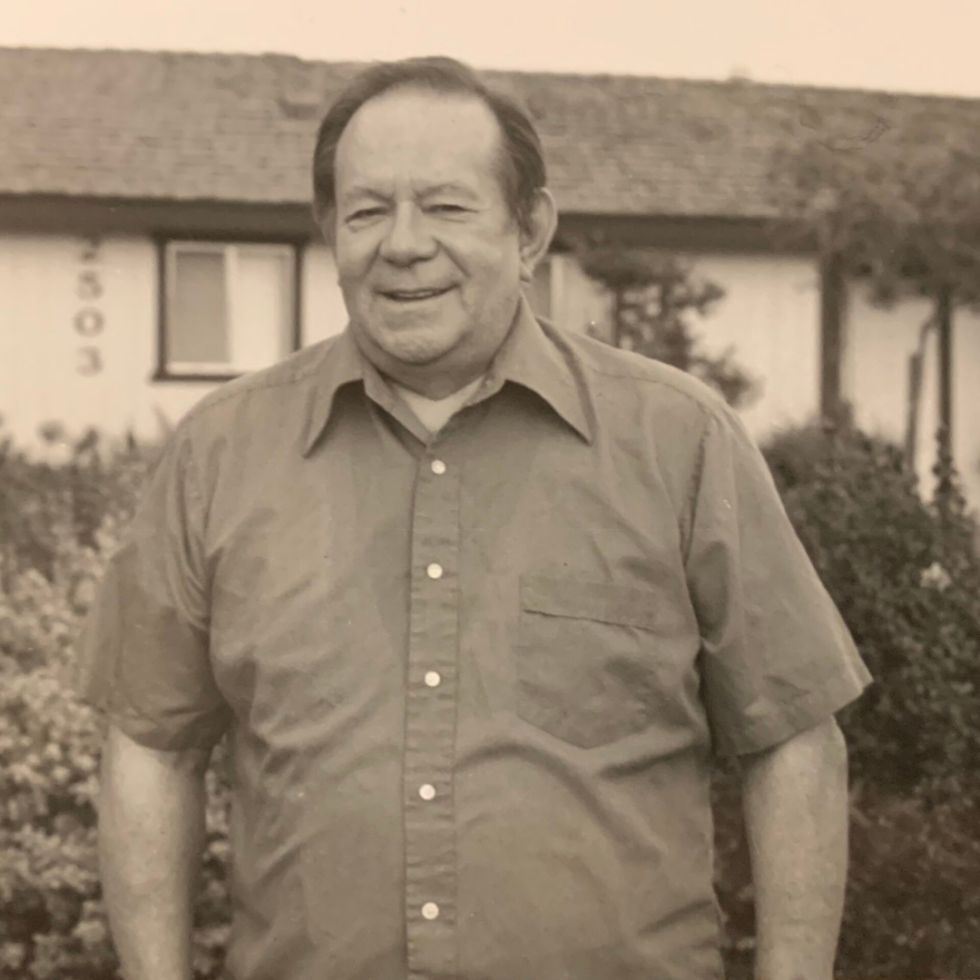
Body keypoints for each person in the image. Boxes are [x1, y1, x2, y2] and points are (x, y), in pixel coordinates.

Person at [76, 55, 872, 980]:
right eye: (367, 211)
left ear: (530, 230)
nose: (403, 244)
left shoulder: (680, 441)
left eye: (447, 207)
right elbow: (151, 750)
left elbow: (793, 742)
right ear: (330, 232)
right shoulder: (218, 454)